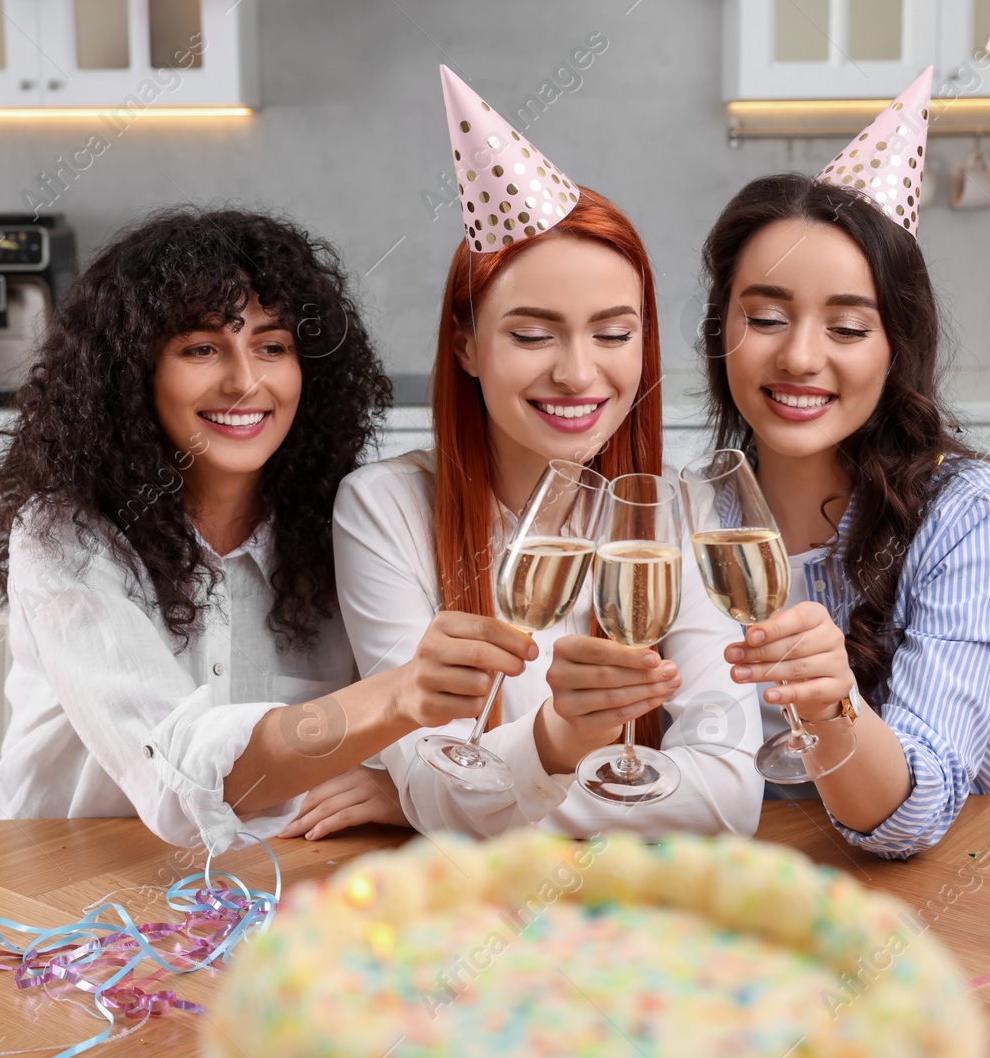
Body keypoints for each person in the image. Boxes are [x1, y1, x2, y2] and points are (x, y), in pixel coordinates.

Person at [281, 68, 762, 841]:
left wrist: (429, 802)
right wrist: (549, 746)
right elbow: (442, 789)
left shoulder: (685, 511)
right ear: (467, 343)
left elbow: (730, 799)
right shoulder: (384, 510)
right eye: (533, 334)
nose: (577, 372)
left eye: (613, 333)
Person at [0, 208, 524, 855]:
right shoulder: (66, 538)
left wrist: (403, 791)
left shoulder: (353, 523)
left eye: (272, 346)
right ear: (130, 370)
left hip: (272, 875)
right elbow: (178, 776)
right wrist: (399, 696)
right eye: (201, 348)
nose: (245, 381)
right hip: (53, 877)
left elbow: (422, 751)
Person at [699, 68, 990, 861]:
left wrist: (830, 705)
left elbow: (911, 818)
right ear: (722, 332)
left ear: (896, 350)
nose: (800, 355)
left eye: (849, 327)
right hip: (786, 877)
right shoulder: (690, 516)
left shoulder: (975, 513)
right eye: (767, 316)